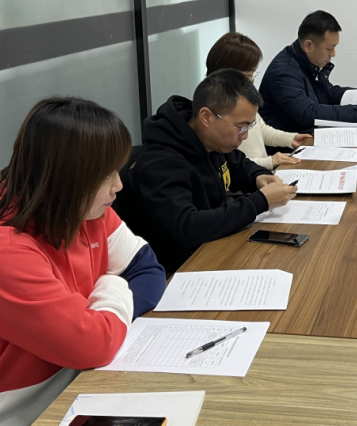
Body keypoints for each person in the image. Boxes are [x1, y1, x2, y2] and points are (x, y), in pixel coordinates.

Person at [0, 98, 166, 426]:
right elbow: (95, 345)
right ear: (67, 178)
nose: (118, 185)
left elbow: (147, 268)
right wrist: (112, 285)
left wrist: (102, 319)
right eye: (106, 175)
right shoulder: (1, 256)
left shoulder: (86, 211)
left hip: (64, 399)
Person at [115, 70, 297, 274]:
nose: (244, 136)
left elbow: (239, 165)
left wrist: (258, 177)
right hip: (178, 269)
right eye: (240, 127)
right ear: (206, 117)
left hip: (213, 246)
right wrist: (259, 202)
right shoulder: (160, 162)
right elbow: (186, 228)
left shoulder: (211, 141)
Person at [259, 10, 357, 132]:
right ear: (308, 46)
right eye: (330, 48)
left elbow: (327, 93)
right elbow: (308, 113)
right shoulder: (284, 72)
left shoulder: (306, 62)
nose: (333, 54)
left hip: (306, 136)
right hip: (287, 143)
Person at [205, 32, 312, 170]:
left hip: (261, 174)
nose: (252, 81)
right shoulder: (217, 112)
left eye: (253, 74)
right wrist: (270, 161)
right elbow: (232, 165)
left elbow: (261, 129)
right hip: (249, 178)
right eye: (247, 76)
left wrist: (291, 139)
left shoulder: (243, 100)